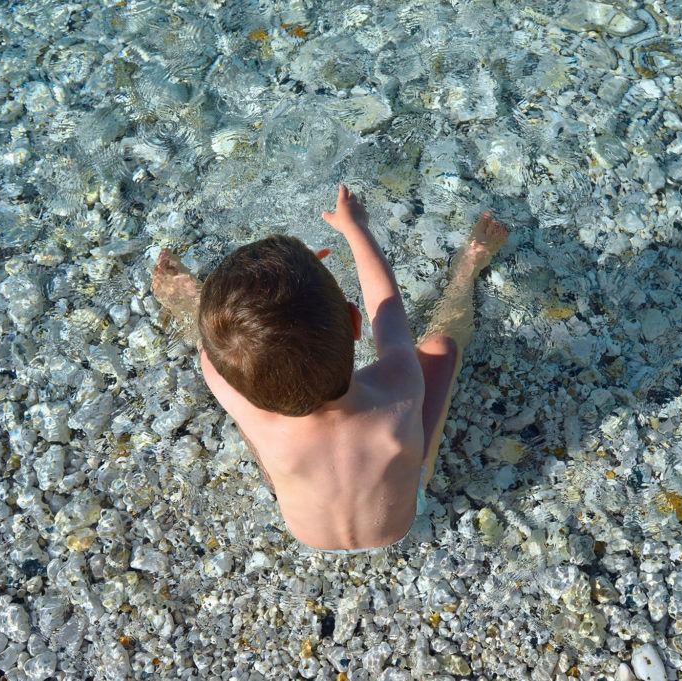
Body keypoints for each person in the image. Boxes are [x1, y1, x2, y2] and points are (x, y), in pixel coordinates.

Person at [152, 185, 509, 551]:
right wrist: (357, 229)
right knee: (441, 348)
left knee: (246, 400)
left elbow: (217, 352)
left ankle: (191, 304)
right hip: (398, 518)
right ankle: (468, 269)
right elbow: (385, 308)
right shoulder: (398, 391)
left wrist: (207, 313)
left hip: (305, 519)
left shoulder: (227, 386)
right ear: (355, 322)